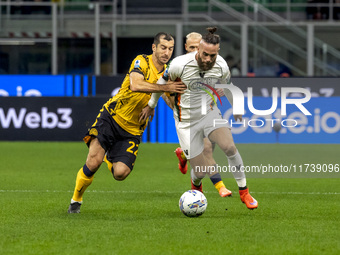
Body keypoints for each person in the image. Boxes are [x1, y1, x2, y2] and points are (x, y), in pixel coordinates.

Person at [67, 32, 187, 213]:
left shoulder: (169, 73)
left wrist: (179, 104)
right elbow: (136, 85)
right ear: (154, 47)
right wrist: (165, 88)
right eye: (163, 48)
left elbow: (170, 100)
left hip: (133, 129)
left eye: (170, 49)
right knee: (93, 163)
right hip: (112, 117)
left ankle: (110, 155)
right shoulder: (142, 61)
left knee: (120, 174)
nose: (166, 53)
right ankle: (76, 201)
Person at [142, 27, 258, 210]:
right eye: (205, 54)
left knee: (229, 146)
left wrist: (236, 105)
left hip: (209, 113)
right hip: (185, 121)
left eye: (212, 56)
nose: (207, 60)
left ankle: (244, 192)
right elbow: (161, 83)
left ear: (217, 53)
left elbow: (228, 85)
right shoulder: (179, 64)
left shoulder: (221, 65)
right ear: (198, 50)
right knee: (200, 170)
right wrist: (151, 105)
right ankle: (196, 188)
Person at [167, 32, 231, 198]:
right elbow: (166, 91)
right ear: (186, 48)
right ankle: (218, 186)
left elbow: (223, 83)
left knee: (207, 151)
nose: (196, 50)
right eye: (192, 47)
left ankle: (183, 155)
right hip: (187, 117)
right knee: (206, 151)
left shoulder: (211, 64)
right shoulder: (180, 66)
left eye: (198, 47)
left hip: (207, 113)